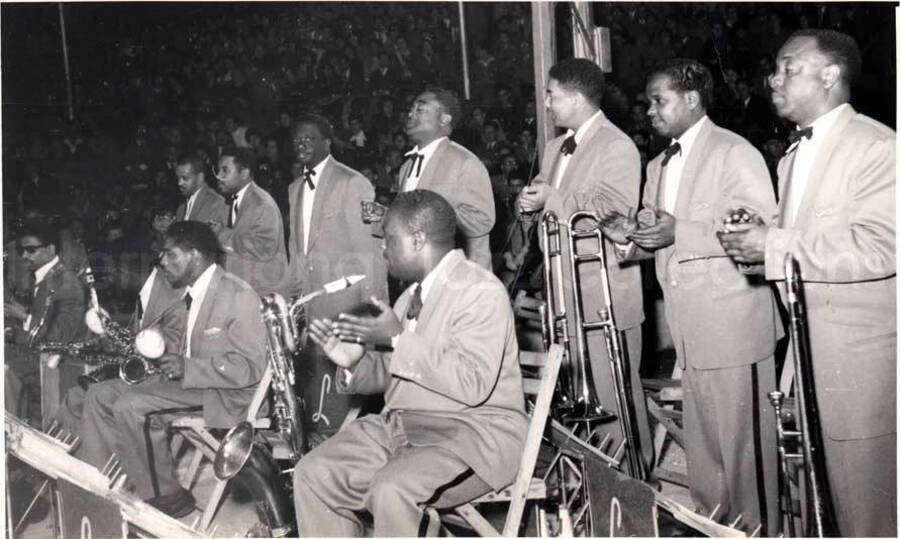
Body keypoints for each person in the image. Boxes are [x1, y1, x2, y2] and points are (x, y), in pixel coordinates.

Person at [717, 29, 896, 537]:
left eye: (788, 67)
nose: (773, 78)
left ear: (830, 74)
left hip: (859, 366)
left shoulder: (878, 146)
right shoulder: (790, 158)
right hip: (806, 357)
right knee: (821, 509)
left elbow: (880, 248)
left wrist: (772, 245)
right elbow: (802, 245)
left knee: (867, 516)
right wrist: (755, 242)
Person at [603, 58, 780, 534]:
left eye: (658, 101)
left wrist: (679, 231)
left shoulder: (734, 151)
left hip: (733, 322)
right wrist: (628, 237)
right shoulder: (659, 164)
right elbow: (657, 237)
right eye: (648, 103)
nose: (650, 112)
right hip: (689, 327)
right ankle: (711, 524)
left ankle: (755, 530)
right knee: (703, 448)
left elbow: (757, 229)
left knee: (743, 451)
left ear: (691, 99)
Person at [294, 190, 527, 536]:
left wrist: (399, 339)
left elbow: (472, 382)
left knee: (392, 490)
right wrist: (354, 362)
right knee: (313, 473)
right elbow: (397, 371)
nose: (382, 248)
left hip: (470, 435)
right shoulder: (411, 296)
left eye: (388, 239)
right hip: (405, 429)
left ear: (418, 240)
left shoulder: (480, 290)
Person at [76, 221, 268, 517]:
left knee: (132, 406)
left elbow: (251, 367)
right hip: (194, 384)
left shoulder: (238, 295)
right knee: (99, 394)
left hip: (225, 394)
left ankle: (167, 496)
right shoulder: (190, 293)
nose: (162, 261)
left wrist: (188, 366)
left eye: (170, 254)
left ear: (194, 255)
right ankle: (100, 485)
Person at [516, 58, 651, 468]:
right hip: (562, 297)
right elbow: (548, 212)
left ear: (575, 98)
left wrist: (552, 199)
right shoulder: (556, 147)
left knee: (614, 402)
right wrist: (528, 209)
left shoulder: (618, 145)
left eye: (552, 94)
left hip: (601, 295)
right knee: (576, 402)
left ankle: (634, 494)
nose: (546, 103)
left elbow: (614, 213)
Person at [284, 113, 388, 438]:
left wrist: (372, 313)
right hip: (314, 307)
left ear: (327, 143)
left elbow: (370, 255)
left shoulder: (351, 182)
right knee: (318, 394)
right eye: (297, 139)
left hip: (346, 306)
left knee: (346, 396)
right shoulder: (293, 188)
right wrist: (293, 302)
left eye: (309, 138)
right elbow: (298, 252)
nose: (302, 144)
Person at [390, 87, 495, 269]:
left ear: (444, 119)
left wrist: (431, 213)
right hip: (419, 275)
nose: (410, 114)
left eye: (420, 109)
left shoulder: (464, 161)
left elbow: (482, 220)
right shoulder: (406, 167)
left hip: (459, 278)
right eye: (410, 110)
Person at [5, 221, 86, 420]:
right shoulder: (50, 276)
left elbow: (56, 339)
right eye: (22, 250)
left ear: (50, 249)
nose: (24, 256)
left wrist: (20, 322)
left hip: (58, 364)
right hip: (40, 354)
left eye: (31, 250)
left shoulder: (66, 282)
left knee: (4, 369)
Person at [209, 147, 288, 296]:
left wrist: (221, 234)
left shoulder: (262, 204)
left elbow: (263, 248)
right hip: (241, 290)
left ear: (244, 173)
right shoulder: (234, 199)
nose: (218, 176)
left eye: (225, 170)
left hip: (261, 294)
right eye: (218, 170)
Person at [173, 154, 226, 223]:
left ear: (200, 177)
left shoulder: (216, 203)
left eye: (185, 178)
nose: (179, 183)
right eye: (178, 178)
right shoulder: (182, 207)